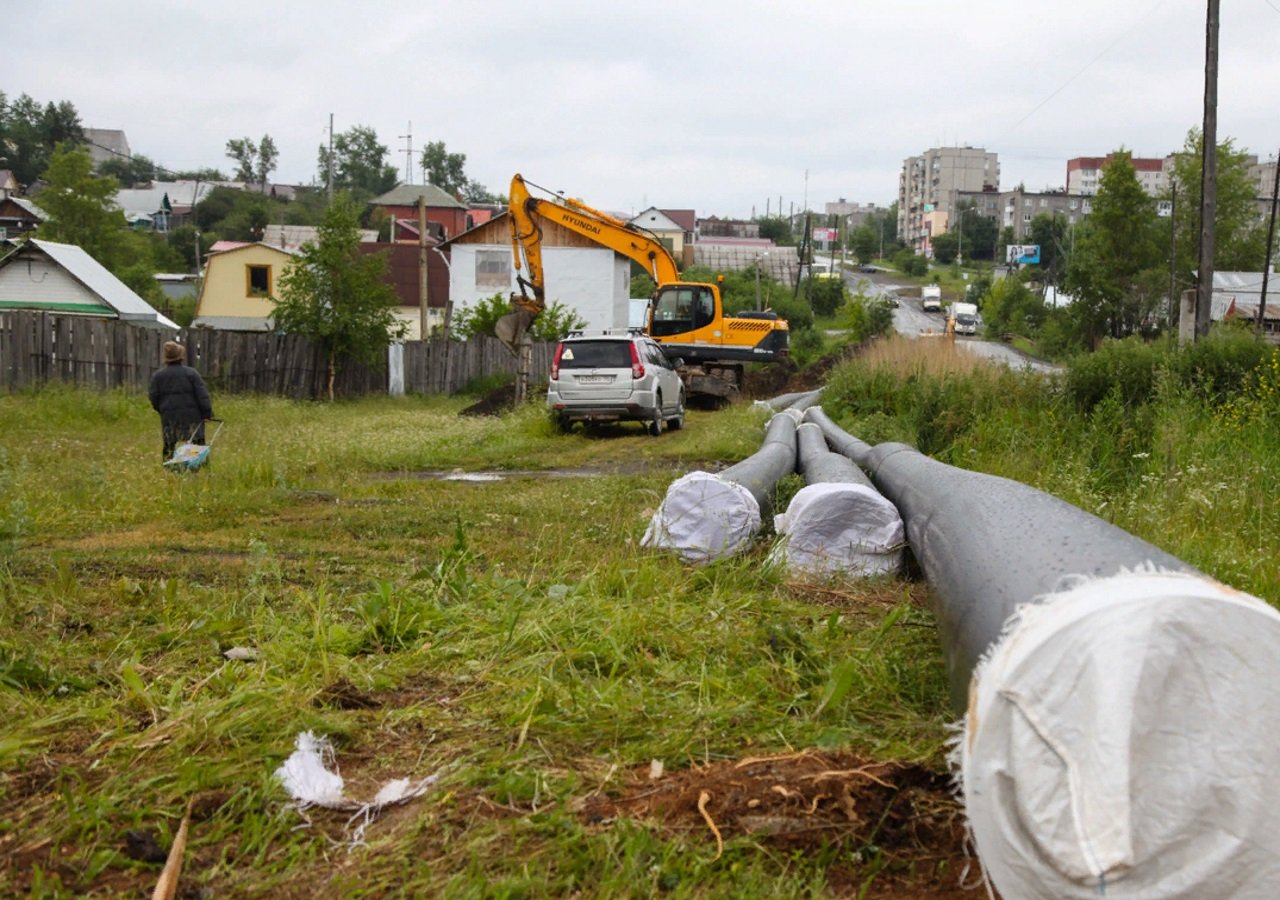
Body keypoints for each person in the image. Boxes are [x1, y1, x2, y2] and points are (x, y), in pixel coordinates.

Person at [148, 341, 214, 463]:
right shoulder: (191, 373)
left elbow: (153, 397)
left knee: (169, 444)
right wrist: (207, 413)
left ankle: (168, 466)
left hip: (169, 416)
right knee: (198, 443)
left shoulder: (158, 376)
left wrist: (162, 409)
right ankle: (201, 467)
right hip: (193, 416)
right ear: (181, 356)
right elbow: (202, 395)